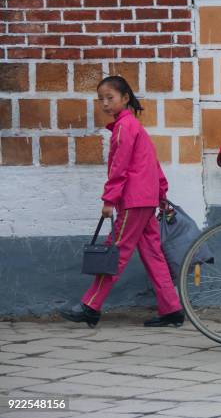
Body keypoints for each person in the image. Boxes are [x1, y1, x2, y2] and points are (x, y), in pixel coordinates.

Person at [60, 76, 184, 329]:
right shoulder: (135, 127)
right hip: (145, 201)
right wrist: (160, 194)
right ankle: (172, 309)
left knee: (114, 252)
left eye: (110, 98)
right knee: (153, 254)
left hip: (133, 201)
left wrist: (109, 199)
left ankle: (90, 306)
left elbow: (120, 167)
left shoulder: (125, 127)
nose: (105, 104)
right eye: (101, 99)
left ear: (125, 98)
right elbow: (154, 165)